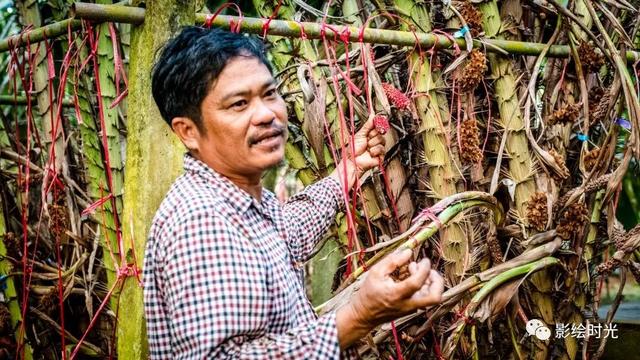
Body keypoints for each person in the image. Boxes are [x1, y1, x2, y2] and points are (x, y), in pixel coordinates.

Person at [143, 26, 445, 359]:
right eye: (239, 104)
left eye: (269, 94)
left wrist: (348, 170)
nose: (267, 114)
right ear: (188, 131)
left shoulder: (240, 201)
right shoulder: (202, 222)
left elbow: (288, 230)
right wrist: (360, 315)